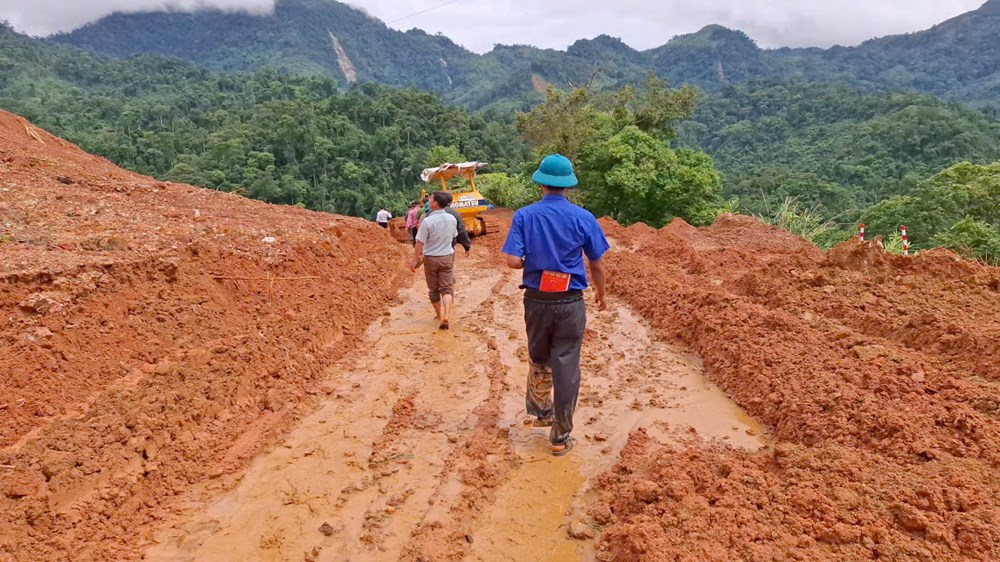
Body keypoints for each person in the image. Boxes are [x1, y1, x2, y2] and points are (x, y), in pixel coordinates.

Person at [501, 154, 609, 457]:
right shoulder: (584, 218)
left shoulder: (523, 216)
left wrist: (528, 261)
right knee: (567, 364)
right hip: (570, 302)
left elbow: (512, 261)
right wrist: (601, 294)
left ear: (540, 184)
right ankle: (560, 437)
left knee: (539, 354)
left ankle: (541, 410)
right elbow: (597, 264)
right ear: (568, 186)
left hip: (536, 300)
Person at [412, 191, 459, 330]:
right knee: (446, 288)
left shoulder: (427, 221)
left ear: (436, 203)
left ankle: (439, 315)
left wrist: (415, 260)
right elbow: (453, 237)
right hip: (447, 257)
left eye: (431, 199)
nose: (428, 201)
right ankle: (447, 314)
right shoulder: (452, 219)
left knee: (433, 290)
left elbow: (420, 243)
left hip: (431, 259)